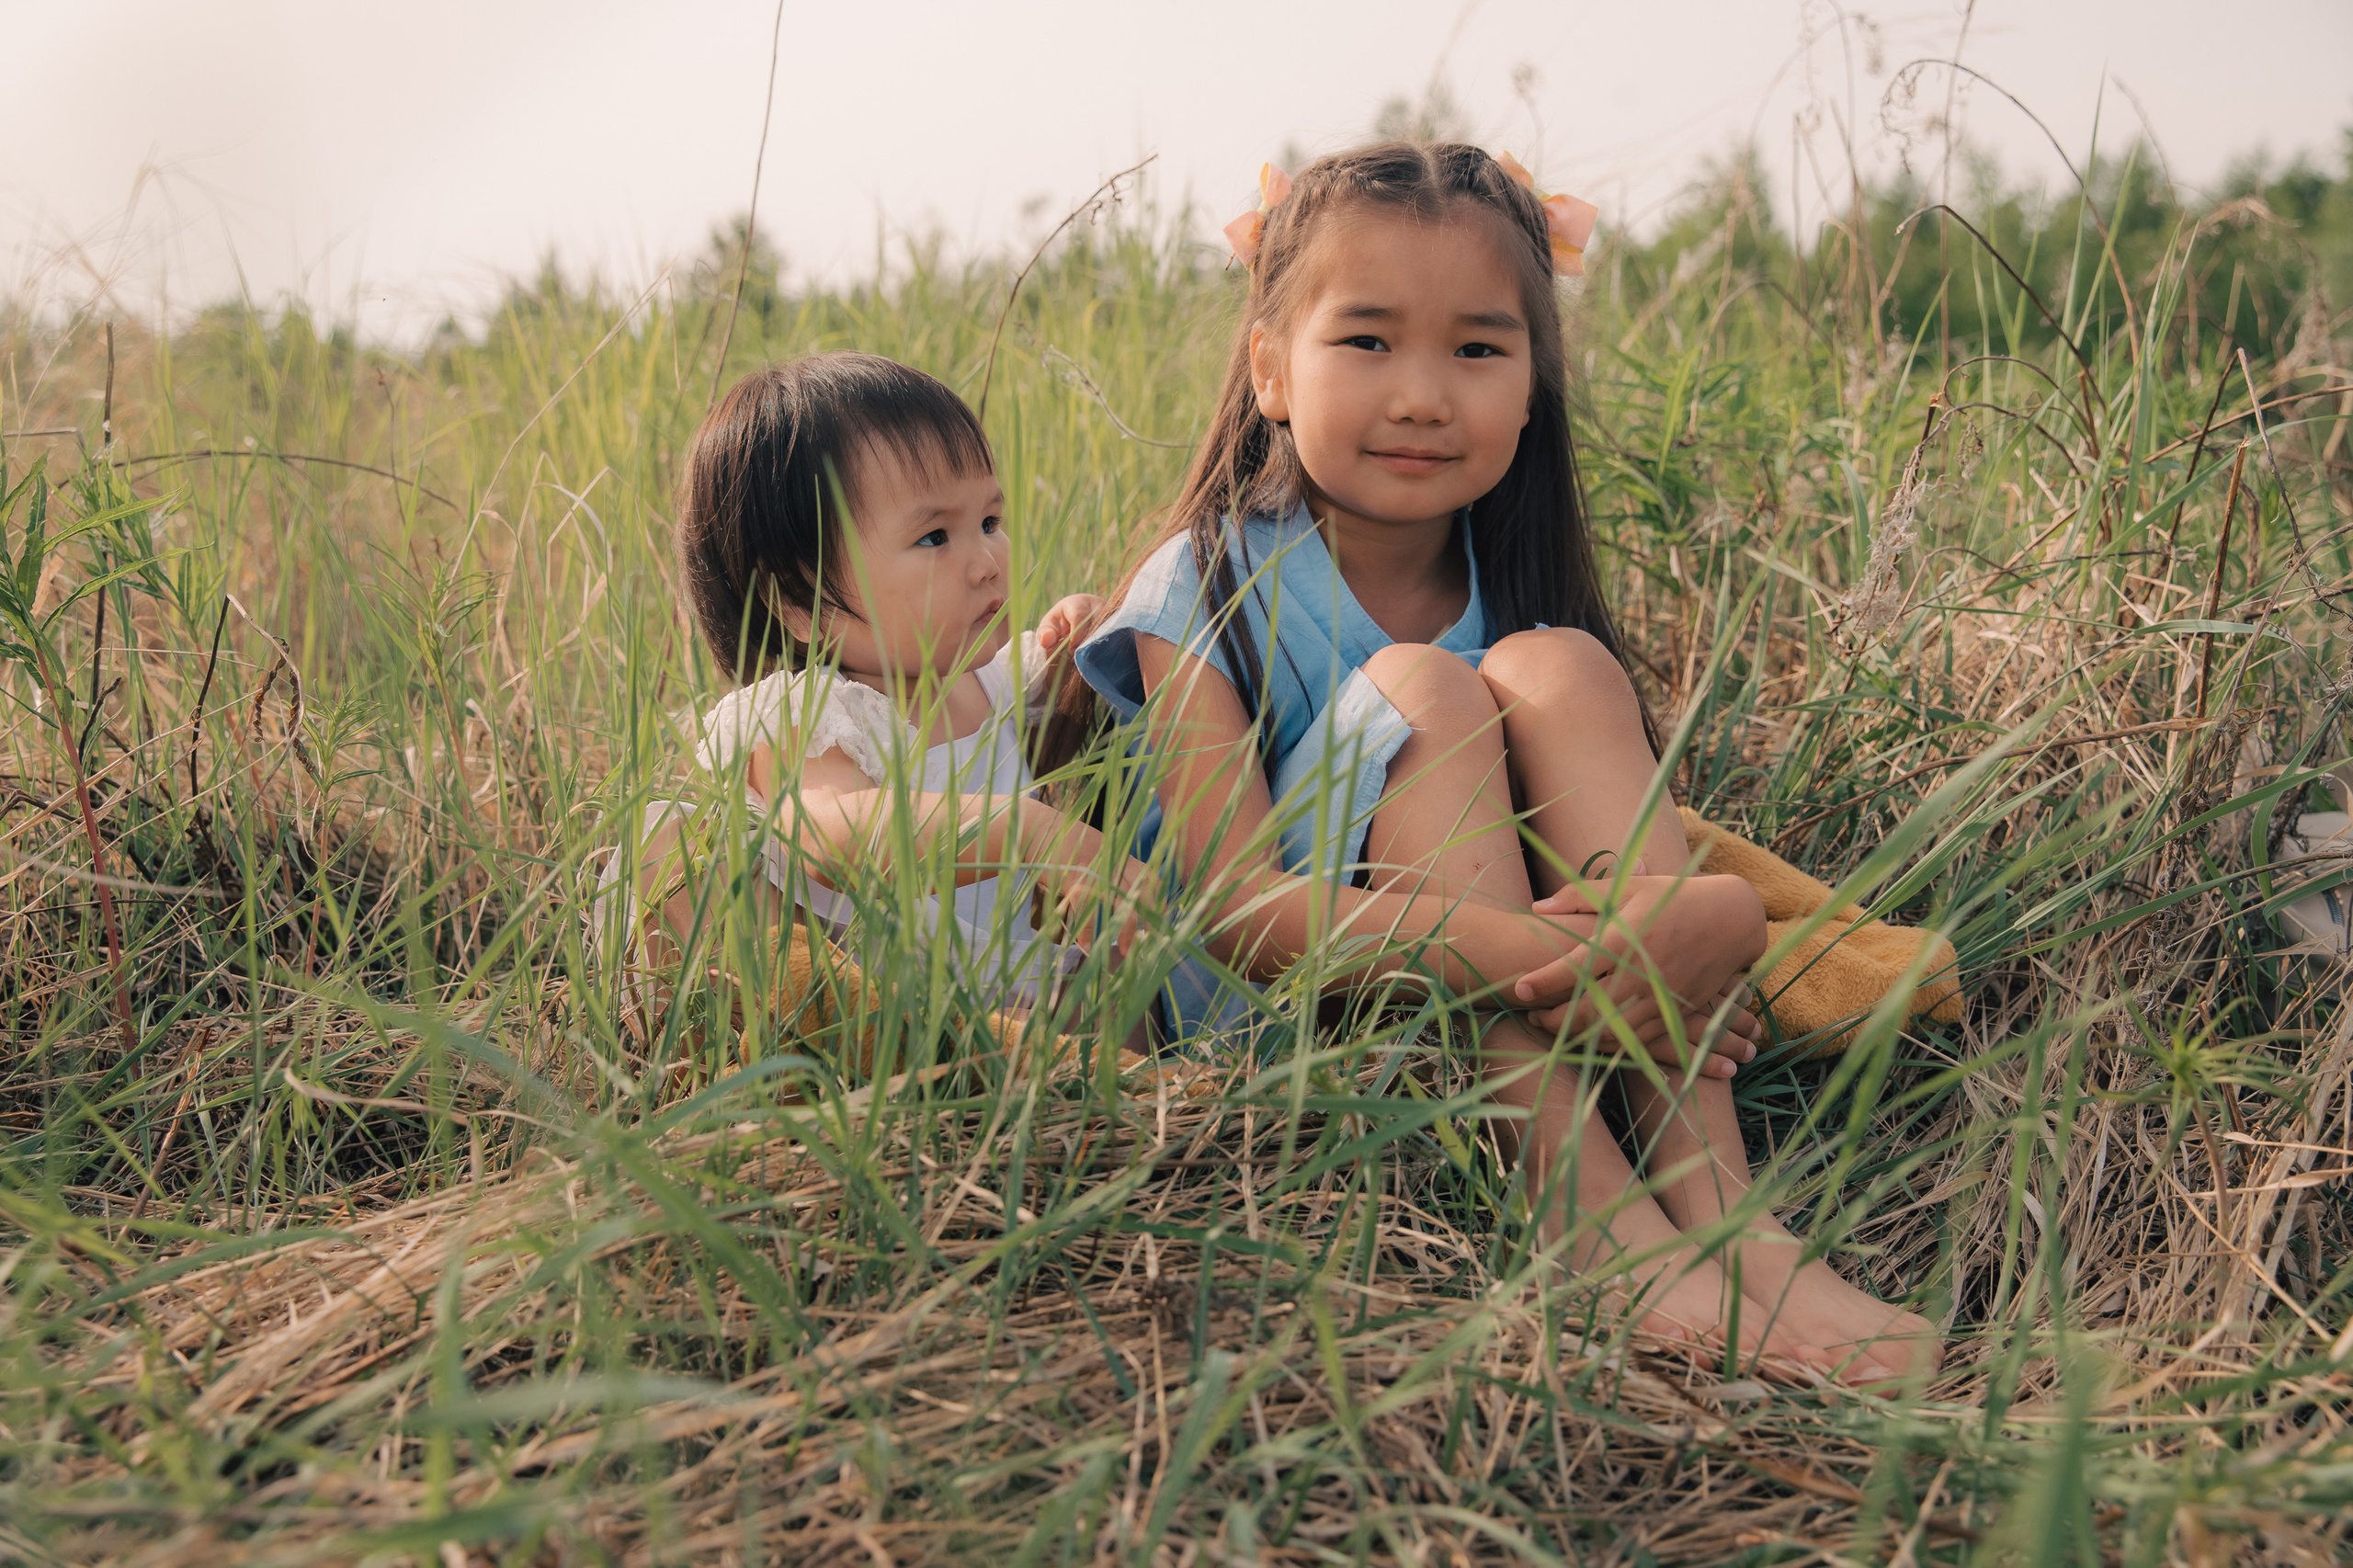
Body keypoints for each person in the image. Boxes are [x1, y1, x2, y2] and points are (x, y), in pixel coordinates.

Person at [1067, 142, 1938, 1382]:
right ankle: (1594, 1226)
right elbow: (1235, 910)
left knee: (1564, 666)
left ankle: (1729, 1217)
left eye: (1478, 349)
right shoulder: (1202, 582)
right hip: (1269, 1013)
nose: (1425, 395)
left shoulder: (1519, 587)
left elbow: (1592, 833)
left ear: (1534, 385)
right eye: (1367, 340)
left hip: (1486, 985)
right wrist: (1632, 950)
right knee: (1424, 686)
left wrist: (1707, 919)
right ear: (1269, 368)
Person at [609, 352, 1137, 1047]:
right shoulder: (809, 715)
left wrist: (1087, 634)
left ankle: (1122, 1077)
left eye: (990, 521)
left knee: (1123, 971)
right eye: (934, 536)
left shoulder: (1001, 684)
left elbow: (1090, 708)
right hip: (874, 1011)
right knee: (676, 855)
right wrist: (1027, 831)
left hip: (1017, 989)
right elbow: (833, 834)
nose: (987, 562)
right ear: (797, 600)